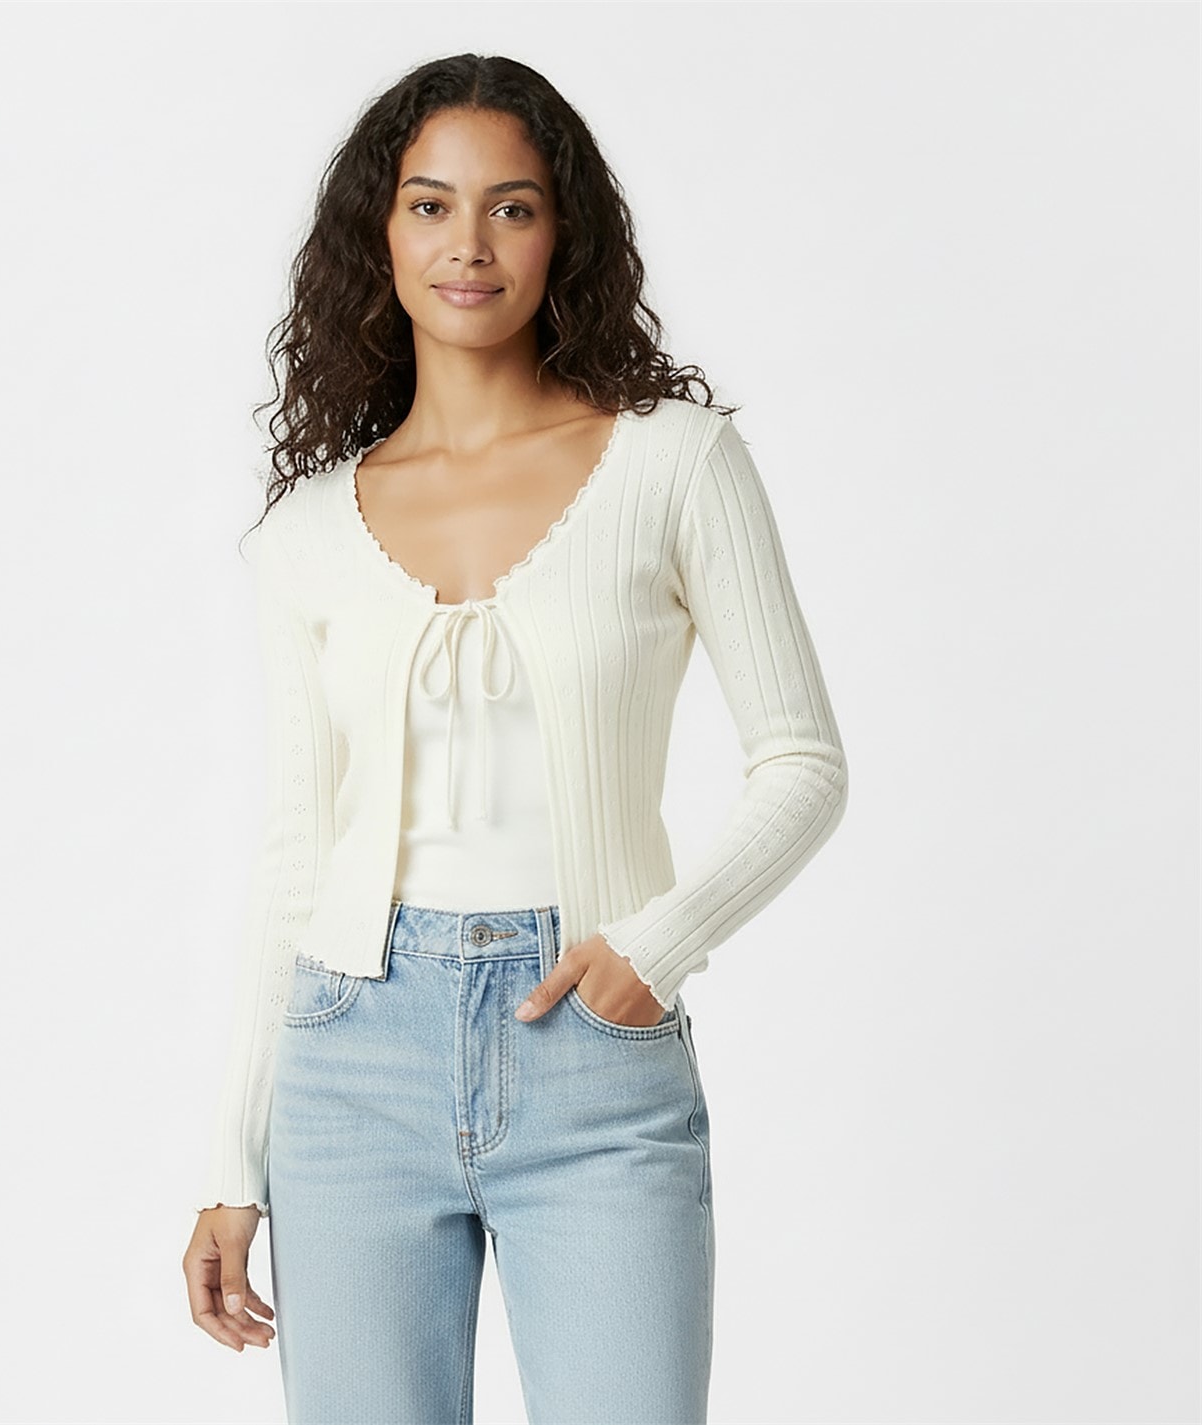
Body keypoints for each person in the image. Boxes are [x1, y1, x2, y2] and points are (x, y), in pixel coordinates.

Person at [181, 52, 849, 1425]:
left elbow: (801, 762)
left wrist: (653, 947)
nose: (469, 246)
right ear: (379, 235)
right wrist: (231, 1164)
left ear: (563, 235)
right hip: (349, 1060)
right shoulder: (307, 531)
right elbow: (298, 850)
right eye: (429, 205)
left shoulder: (673, 462)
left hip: (592, 1049)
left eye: (513, 207)